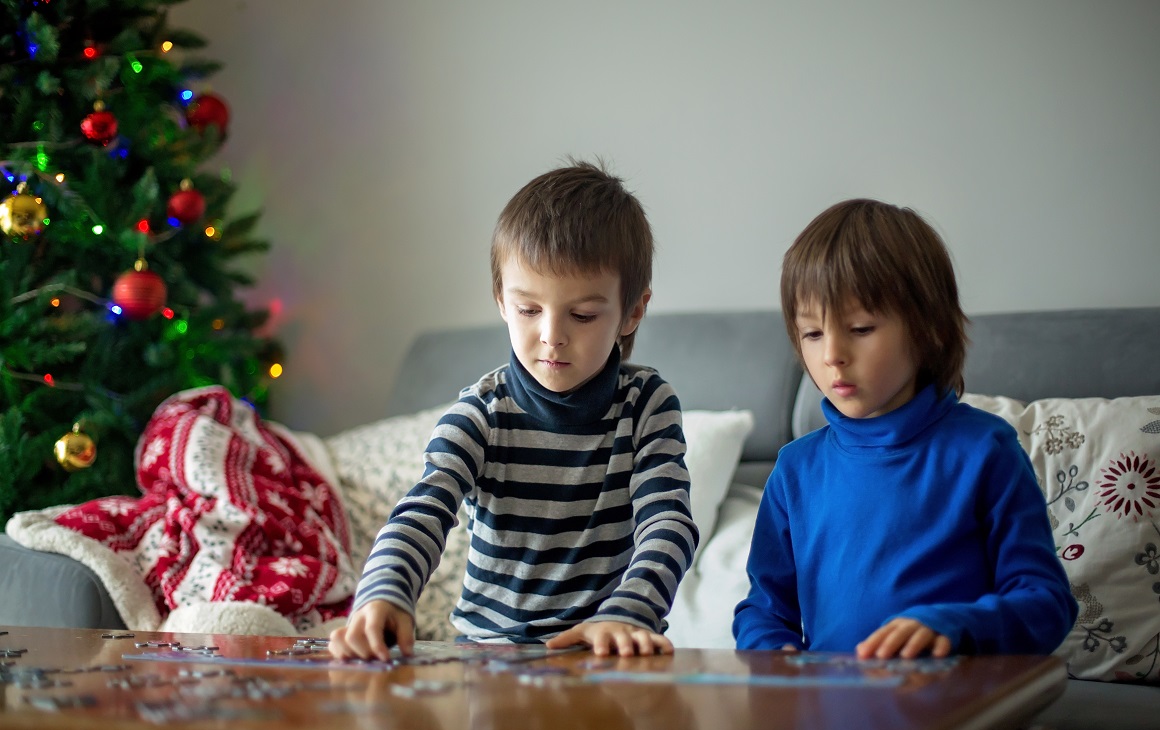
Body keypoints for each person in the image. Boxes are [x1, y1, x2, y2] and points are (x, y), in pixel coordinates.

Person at [330, 160, 697, 660]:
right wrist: (384, 593)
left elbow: (667, 522)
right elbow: (423, 511)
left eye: (583, 315)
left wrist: (627, 612)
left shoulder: (647, 405)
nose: (551, 334)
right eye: (529, 309)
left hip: (607, 653)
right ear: (502, 299)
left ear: (633, 311)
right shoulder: (479, 414)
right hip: (491, 657)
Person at [733, 198, 1077, 659]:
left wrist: (957, 624)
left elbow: (1048, 604)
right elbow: (763, 607)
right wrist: (773, 653)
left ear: (927, 329)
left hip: (953, 712)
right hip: (829, 715)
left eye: (860, 328)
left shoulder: (985, 450)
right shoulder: (795, 470)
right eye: (812, 333)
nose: (832, 353)